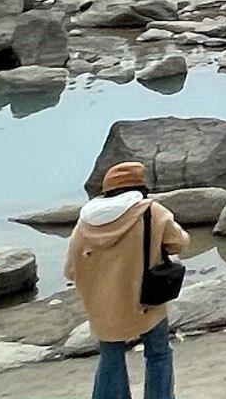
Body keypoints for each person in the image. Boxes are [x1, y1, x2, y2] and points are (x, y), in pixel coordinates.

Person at [66, 160, 188, 399]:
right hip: (144, 300)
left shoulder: (85, 221)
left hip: (103, 307)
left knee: (110, 358)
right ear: (139, 188)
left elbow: (70, 268)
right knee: (158, 353)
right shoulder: (151, 211)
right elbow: (180, 242)